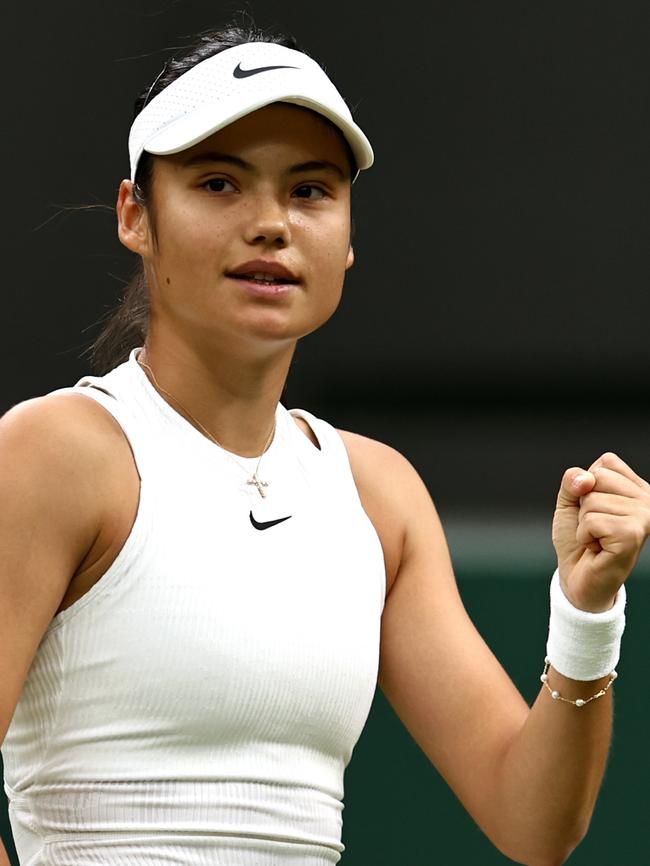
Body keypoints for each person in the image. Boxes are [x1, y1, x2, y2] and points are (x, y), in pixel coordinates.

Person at [1, 19, 648, 866]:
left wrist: (586, 610)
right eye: (220, 184)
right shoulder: (54, 452)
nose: (271, 223)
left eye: (309, 191)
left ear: (347, 241)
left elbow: (533, 823)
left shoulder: (379, 493)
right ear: (136, 215)